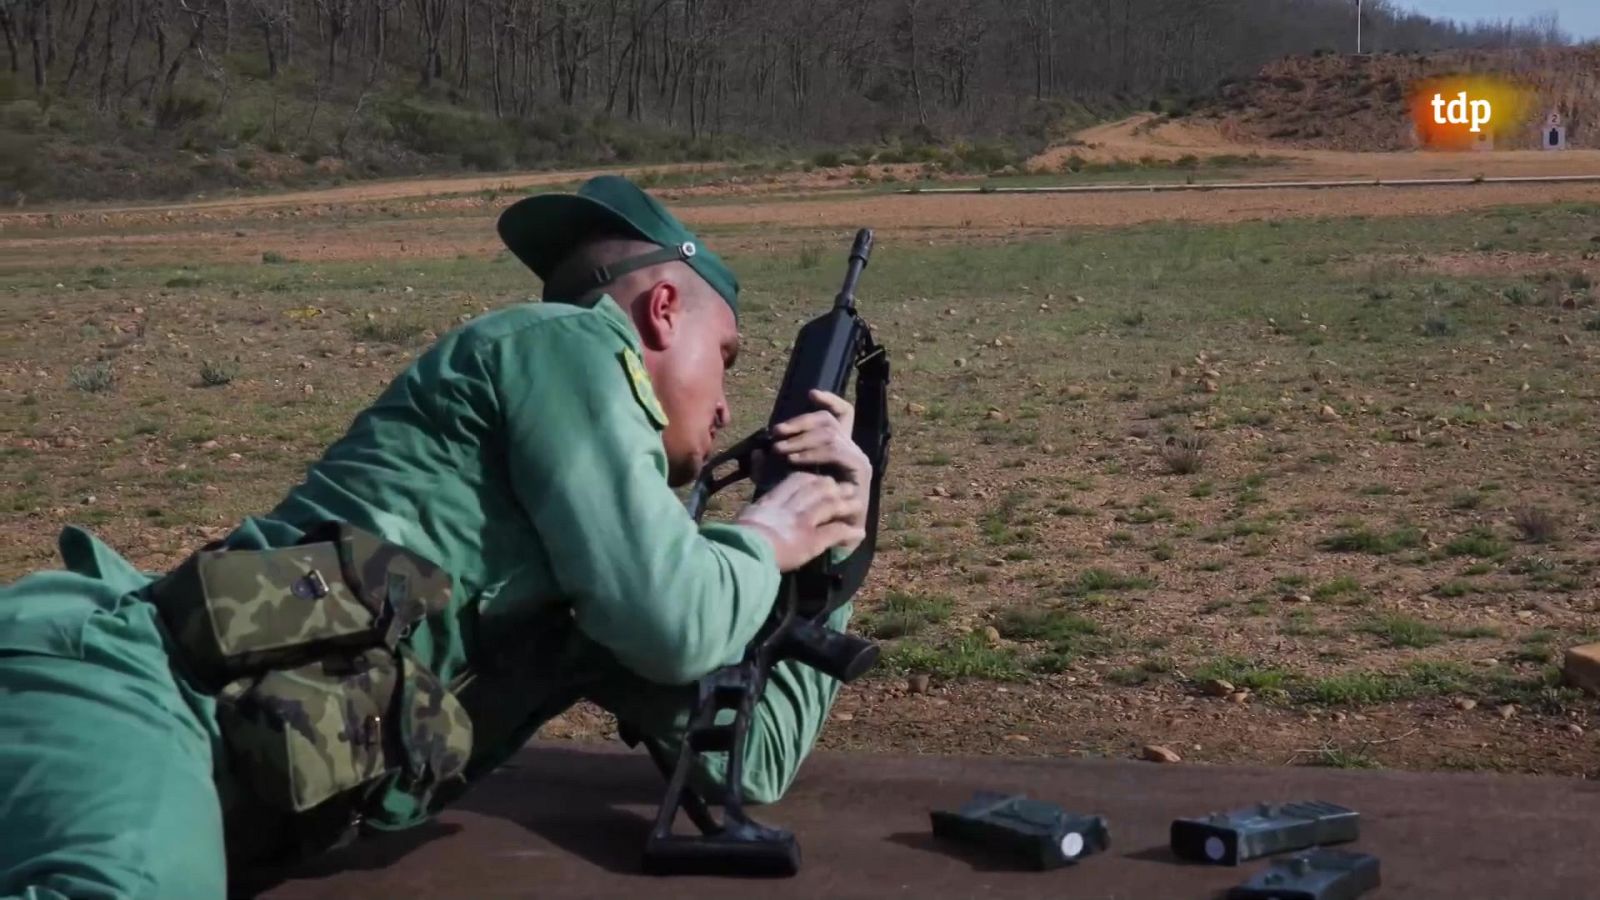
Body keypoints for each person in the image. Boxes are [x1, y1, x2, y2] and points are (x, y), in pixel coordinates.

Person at [0, 175, 874, 899]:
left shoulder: (596, 569)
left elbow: (751, 762)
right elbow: (673, 619)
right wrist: (763, 534)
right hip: (135, 698)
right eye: (726, 358)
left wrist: (828, 539)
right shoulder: (564, 342)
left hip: (188, 774)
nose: (727, 407)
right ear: (661, 311)